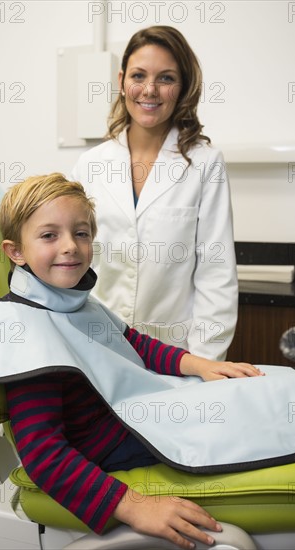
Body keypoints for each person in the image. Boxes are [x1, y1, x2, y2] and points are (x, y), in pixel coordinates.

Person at [0, 174, 269, 550]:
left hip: (134, 415)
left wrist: (199, 365)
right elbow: (42, 454)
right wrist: (132, 505)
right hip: (114, 445)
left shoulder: (76, 303)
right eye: (49, 236)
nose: (70, 247)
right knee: (251, 423)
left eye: (80, 233)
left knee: (262, 390)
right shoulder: (25, 331)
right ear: (16, 252)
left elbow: (134, 344)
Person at [71, 26, 238, 361]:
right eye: (138, 75)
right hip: (97, 349)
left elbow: (216, 273)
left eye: (166, 78)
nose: (149, 90)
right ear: (121, 81)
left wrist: (202, 363)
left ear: (183, 87)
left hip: (176, 354)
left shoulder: (205, 164)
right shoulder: (89, 166)